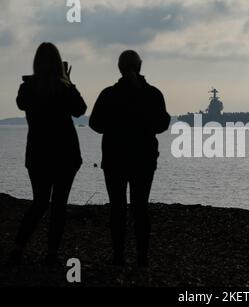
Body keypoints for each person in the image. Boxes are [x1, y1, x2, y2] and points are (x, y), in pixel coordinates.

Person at [89, 50, 171, 267]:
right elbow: (162, 123)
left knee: (117, 208)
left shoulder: (109, 94)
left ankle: (118, 257)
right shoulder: (153, 94)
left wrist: (115, 126)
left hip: (115, 158)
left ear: (120, 67)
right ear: (140, 66)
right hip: (144, 159)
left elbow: (95, 124)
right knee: (140, 208)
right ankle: (142, 258)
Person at [9, 42, 87, 265]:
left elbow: (20, 104)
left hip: (38, 154)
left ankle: (18, 247)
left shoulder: (27, 88)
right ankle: (51, 253)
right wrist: (69, 82)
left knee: (39, 202)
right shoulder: (64, 88)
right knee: (59, 204)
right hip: (65, 154)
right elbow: (80, 110)